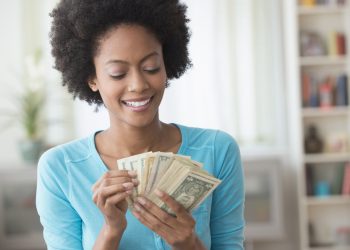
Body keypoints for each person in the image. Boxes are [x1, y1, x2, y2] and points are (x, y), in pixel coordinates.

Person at [36, 0, 245, 249]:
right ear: (92, 78)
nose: (138, 85)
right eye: (118, 73)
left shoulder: (217, 150)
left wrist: (190, 244)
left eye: (151, 67)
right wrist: (111, 231)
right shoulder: (60, 169)